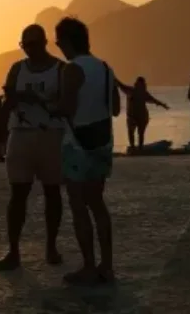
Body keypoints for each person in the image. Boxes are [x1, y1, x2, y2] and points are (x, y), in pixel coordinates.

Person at [56, 17, 120, 285]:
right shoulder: (105, 68)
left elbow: (66, 109)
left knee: (78, 206)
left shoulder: (72, 70)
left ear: (69, 42)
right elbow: (115, 108)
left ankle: (88, 267)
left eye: (59, 42)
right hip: (102, 143)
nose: (59, 47)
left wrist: (51, 104)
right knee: (97, 204)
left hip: (77, 145)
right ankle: (107, 266)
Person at [0, 24, 65, 271]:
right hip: (21, 134)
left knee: (52, 192)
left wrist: (42, 101)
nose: (28, 50)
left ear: (44, 43)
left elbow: (67, 103)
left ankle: (51, 246)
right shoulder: (17, 68)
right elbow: (9, 100)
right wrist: (16, 98)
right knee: (18, 194)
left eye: (32, 45)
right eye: (24, 46)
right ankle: (13, 251)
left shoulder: (60, 69)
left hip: (51, 135)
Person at [117, 76, 168, 151]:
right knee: (132, 132)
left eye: (143, 84)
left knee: (140, 133)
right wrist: (114, 79)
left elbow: (153, 100)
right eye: (141, 84)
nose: (142, 86)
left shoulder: (143, 92)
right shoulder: (132, 90)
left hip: (142, 116)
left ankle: (139, 148)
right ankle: (133, 147)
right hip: (132, 116)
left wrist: (163, 105)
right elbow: (121, 85)